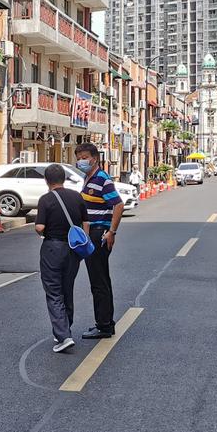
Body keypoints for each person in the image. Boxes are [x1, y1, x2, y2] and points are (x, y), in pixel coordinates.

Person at [34, 163, 87, 353]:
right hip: (73, 249)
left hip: (52, 249)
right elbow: (85, 223)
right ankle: (65, 329)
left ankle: (63, 336)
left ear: (46, 180)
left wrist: (40, 229)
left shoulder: (45, 200)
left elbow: (40, 227)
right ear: (64, 178)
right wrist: (81, 243)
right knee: (67, 289)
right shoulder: (76, 197)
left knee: (54, 292)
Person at [74, 142, 124, 340]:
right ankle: (106, 323)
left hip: (99, 234)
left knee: (99, 282)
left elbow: (118, 205)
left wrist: (111, 231)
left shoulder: (102, 178)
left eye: (84, 157)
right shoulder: (89, 178)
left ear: (94, 158)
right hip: (92, 233)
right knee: (100, 280)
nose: (81, 161)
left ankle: (103, 325)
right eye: (78, 158)